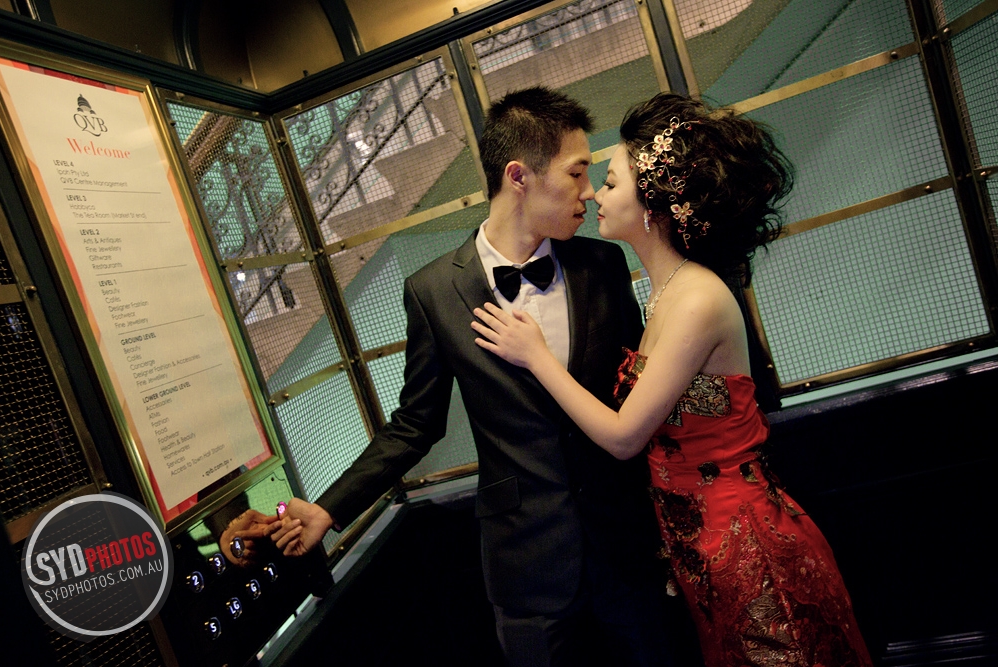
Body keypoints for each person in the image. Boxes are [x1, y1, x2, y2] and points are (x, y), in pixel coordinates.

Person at [270, 87, 687, 666]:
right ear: (519, 177)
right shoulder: (433, 291)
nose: (589, 191)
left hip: (626, 544)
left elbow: (639, 387)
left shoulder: (603, 263)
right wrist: (331, 508)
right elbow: (415, 424)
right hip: (525, 563)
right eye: (576, 173)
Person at [471, 93, 873, 667]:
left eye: (611, 182)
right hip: (699, 546)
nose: (595, 193)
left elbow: (624, 436)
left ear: (654, 205)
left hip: (745, 543)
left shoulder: (696, 300)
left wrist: (537, 357)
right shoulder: (666, 294)